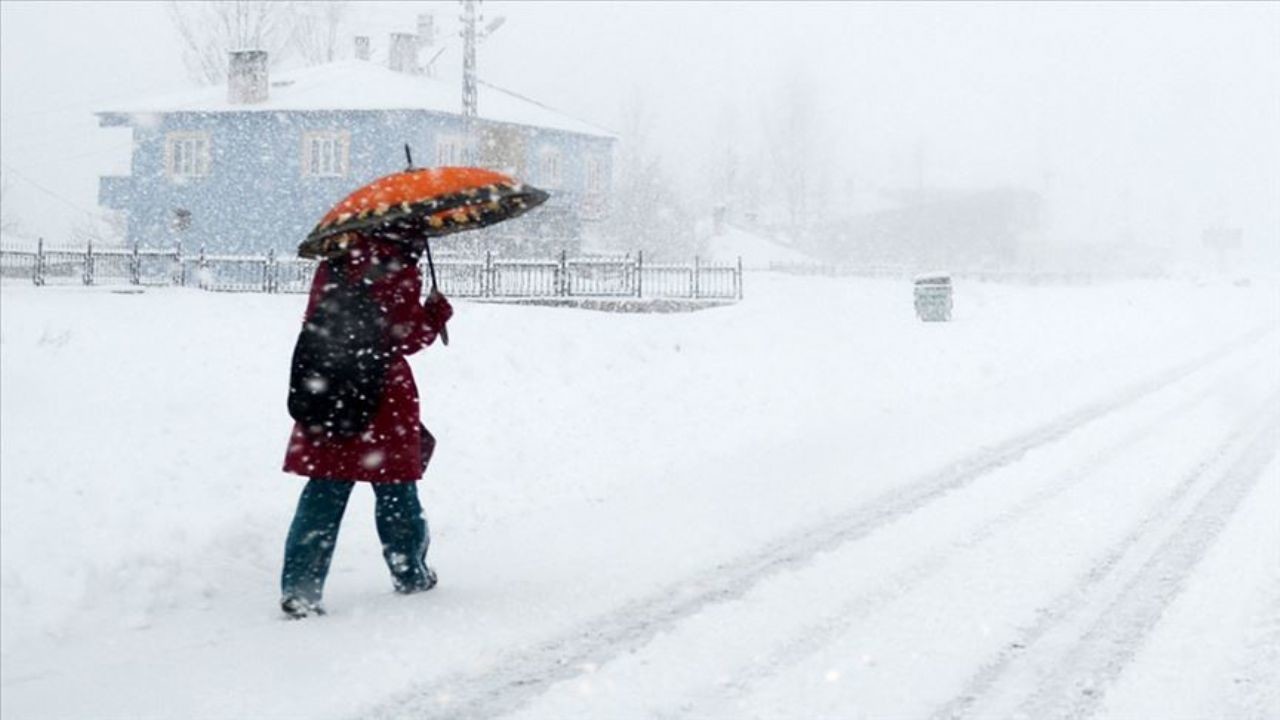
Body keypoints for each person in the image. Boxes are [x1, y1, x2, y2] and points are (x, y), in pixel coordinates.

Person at [279, 233, 452, 619]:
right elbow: (405, 337)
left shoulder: (334, 261)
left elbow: (315, 320)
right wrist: (435, 315)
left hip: (331, 385)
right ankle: (411, 573)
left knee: (324, 489)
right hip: (381, 393)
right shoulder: (399, 267)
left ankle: (300, 588)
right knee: (396, 490)